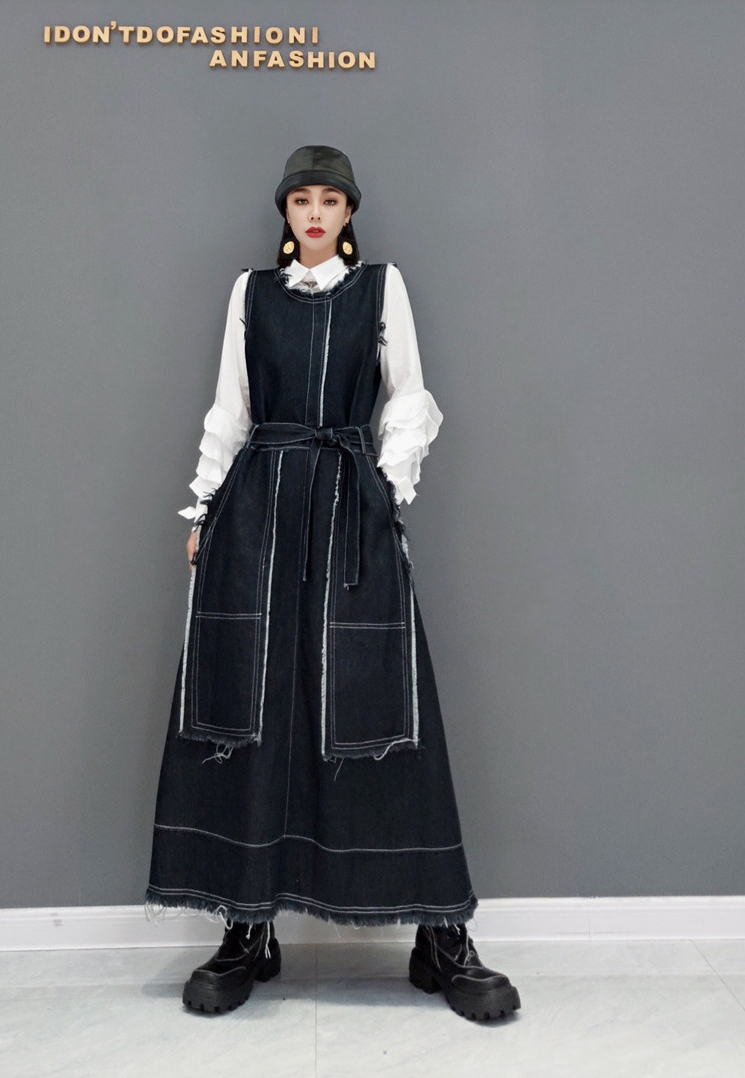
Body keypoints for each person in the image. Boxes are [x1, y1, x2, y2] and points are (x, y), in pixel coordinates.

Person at [147, 146, 520, 1023]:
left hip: (351, 509)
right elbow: (231, 407)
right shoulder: (251, 293)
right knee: (249, 709)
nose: (315, 214)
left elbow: (409, 398)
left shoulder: (382, 288)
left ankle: (440, 935)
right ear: (285, 212)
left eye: (330, 200)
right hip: (257, 513)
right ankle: (247, 926)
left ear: (349, 213)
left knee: (382, 708)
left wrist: (385, 494)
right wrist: (204, 508)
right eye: (301, 201)